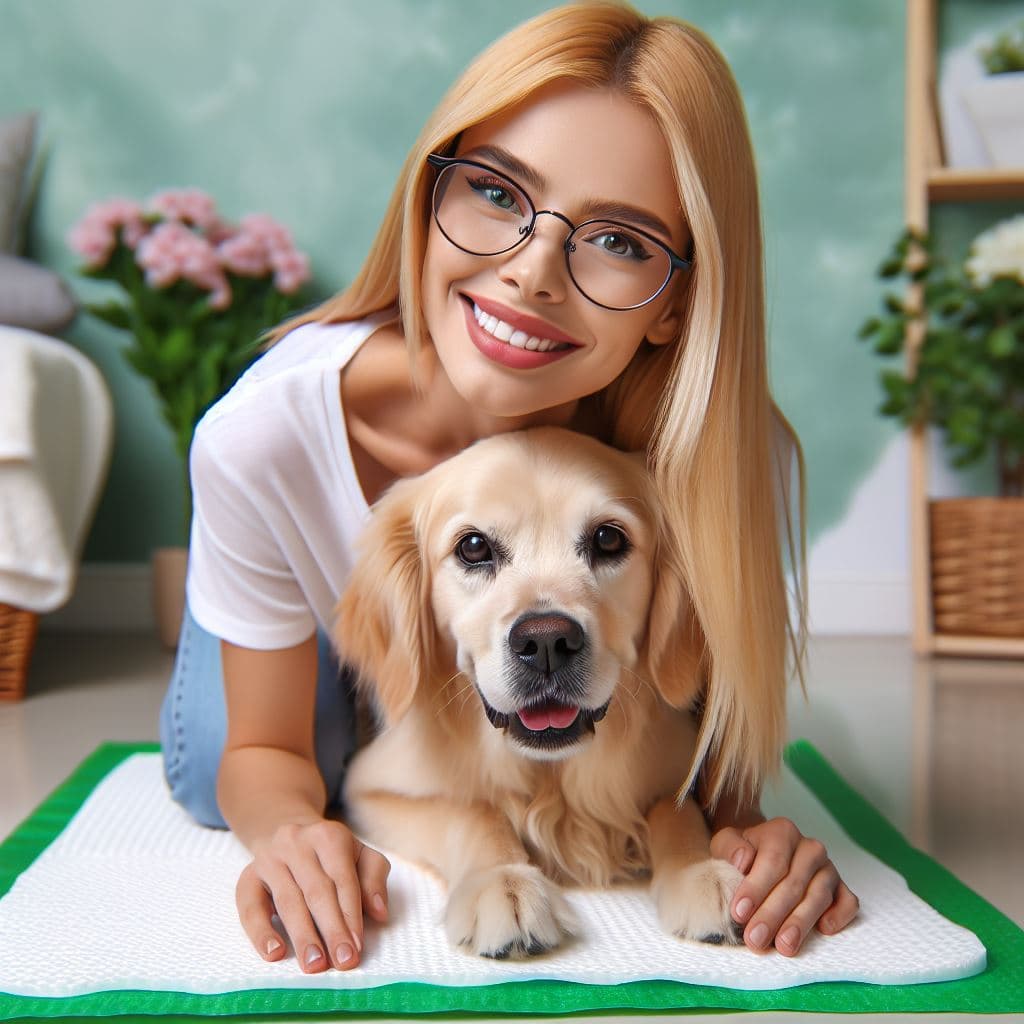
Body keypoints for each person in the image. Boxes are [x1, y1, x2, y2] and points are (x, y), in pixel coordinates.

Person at [159, 0, 858, 974]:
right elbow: (262, 757)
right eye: (495, 191)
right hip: (314, 593)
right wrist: (288, 834)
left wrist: (745, 836)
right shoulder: (262, 436)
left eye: (619, 241)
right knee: (254, 770)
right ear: (427, 195)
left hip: (538, 657)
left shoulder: (715, 461)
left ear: (674, 306)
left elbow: (704, 731)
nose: (532, 272)